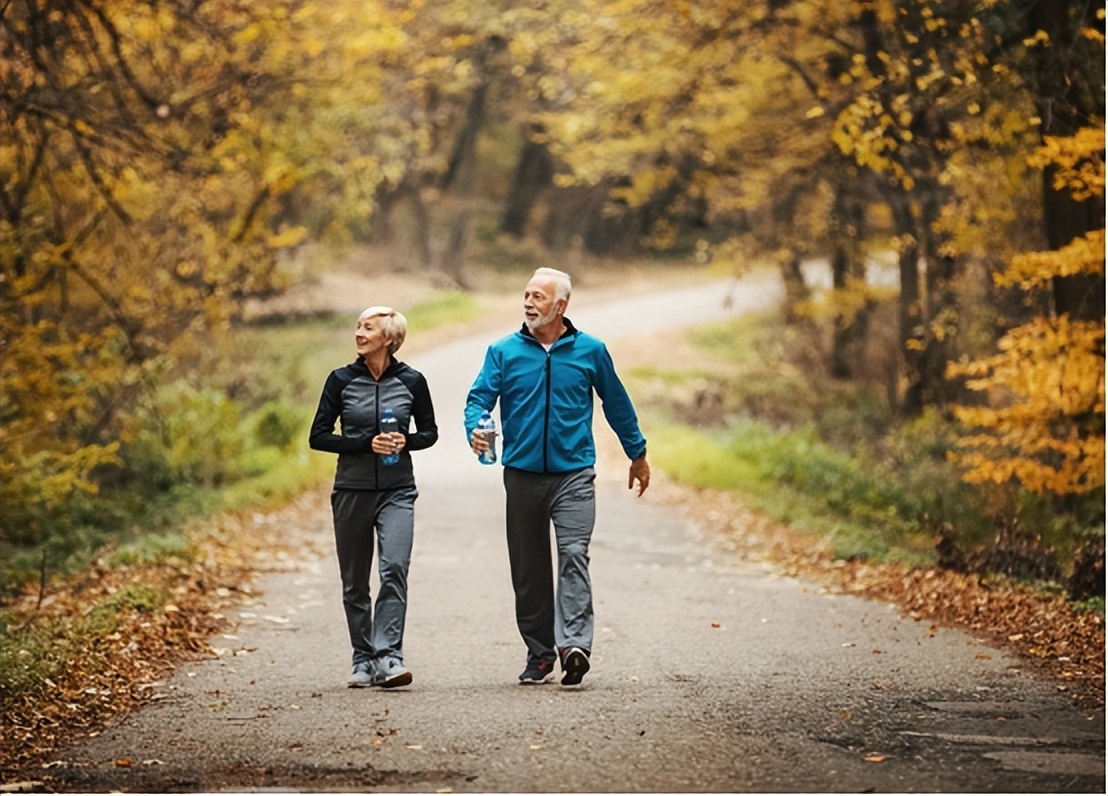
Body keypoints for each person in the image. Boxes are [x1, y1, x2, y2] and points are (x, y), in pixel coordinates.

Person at [464, 267, 650, 687]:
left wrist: (636, 453)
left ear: (561, 306)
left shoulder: (591, 351)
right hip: (522, 474)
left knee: (573, 554)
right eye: (526, 295)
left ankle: (575, 646)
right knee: (528, 570)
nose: (528, 303)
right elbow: (478, 400)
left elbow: (616, 403)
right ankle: (540, 653)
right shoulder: (503, 351)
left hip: (574, 474)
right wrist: (476, 427)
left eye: (538, 297)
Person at [309, 306, 438, 689]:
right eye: (358, 327)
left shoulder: (412, 381)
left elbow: (429, 433)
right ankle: (362, 659)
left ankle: (389, 656)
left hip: (397, 491)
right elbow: (318, 436)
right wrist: (366, 443)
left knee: (394, 568)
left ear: (389, 338)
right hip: (352, 491)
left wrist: (405, 441)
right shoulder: (340, 380)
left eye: (368, 328)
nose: (359, 333)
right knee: (354, 583)